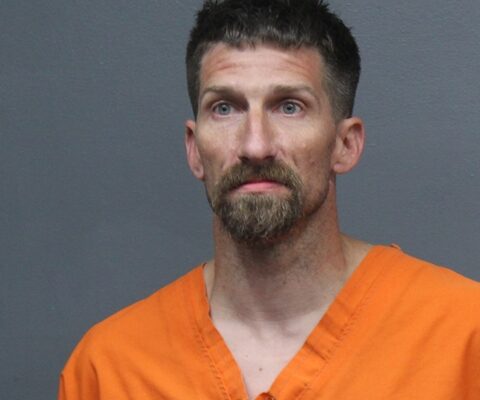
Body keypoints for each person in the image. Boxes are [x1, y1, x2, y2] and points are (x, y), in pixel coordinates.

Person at [58, 1, 480, 399]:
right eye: (225, 108)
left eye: (289, 107)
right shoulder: (108, 368)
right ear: (194, 148)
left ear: (345, 144)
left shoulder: (463, 337)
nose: (255, 146)